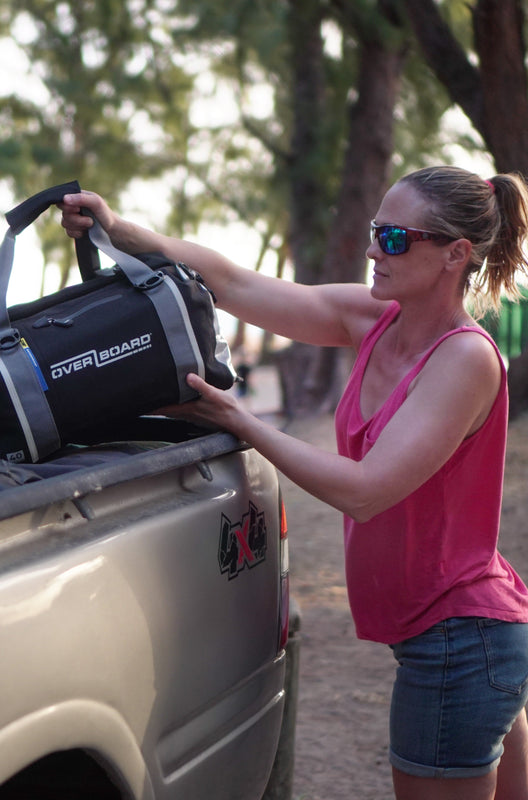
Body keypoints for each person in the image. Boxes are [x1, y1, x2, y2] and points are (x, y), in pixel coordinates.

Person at [59, 165, 528, 800]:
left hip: (462, 643)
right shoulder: (373, 318)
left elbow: (366, 490)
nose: (371, 249)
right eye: (374, 231)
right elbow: (231, 282)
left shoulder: (465, 358)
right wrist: (119, 232)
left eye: (393, 239)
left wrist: (240, 420)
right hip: (465, 636)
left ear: (456, 254)